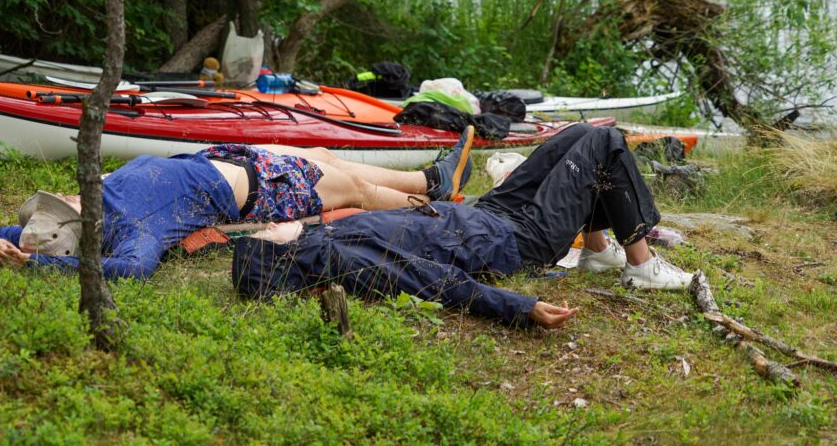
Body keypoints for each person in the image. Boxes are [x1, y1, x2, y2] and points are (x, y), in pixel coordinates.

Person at [232, 123, 694, 330]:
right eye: (263, 235)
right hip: (513, 240)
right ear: (276, 255)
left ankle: (595, 249)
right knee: (605, 142)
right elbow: (435, 281)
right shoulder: (344, 260)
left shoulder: (324, 235)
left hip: (487, 213)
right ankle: (641, 264)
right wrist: (519, 306)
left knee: (577, 134)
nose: (267, 225)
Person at [0, 130, 475, 279]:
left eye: (62, 198)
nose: (67, 195)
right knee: (349, 190)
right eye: (64, 202)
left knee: (319, 154)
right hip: (260, 189)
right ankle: (433, 197)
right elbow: (133, 271)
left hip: (220, 158)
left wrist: (5, 245)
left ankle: (431, 178)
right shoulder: (134, 233)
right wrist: (45, 267)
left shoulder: (92, 200)